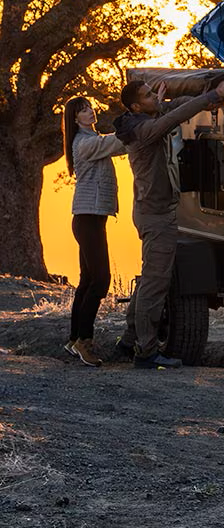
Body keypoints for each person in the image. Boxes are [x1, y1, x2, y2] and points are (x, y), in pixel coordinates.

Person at [113, 78, 224, 369]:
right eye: (147, 96)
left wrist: (209, 99)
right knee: (156, 285)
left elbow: (174, 106)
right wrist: (211, 95)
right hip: (156, 218)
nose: (153, 98)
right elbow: (175, 116)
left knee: (150, 279)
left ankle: (130, 341)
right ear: (135, 106)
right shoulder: (144, 131)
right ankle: (145, 352)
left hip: (152, 212)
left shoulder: (140, 121)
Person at [62, 96, 127, 367]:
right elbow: (118, 143)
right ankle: (83, 342)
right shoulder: (86, 143)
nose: (90, 112)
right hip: (87, 219)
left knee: (88, 280)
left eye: (89, 107)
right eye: (82, 111)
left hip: (90, 218)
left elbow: (110, 140)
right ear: (75, 119)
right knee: (101, 280)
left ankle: (74, 338)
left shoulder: (92, 139)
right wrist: (142, 124)